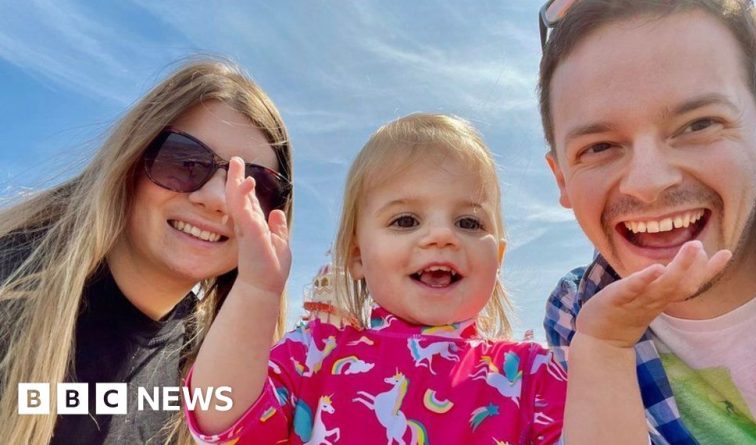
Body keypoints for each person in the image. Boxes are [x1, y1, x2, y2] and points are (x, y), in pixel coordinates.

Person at [185, 113, 569, 444]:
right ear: (357, 257)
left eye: (469, 222)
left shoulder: (533, 376)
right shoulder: (315, 354)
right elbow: (221, 418)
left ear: (498, 258)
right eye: (406, 221)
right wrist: (256, 290)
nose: (442, 235)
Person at [538, 0, 756, 443]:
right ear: (562, 178)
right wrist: (603, 350)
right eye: (599, 147)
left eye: (698, 124)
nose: (648, 183)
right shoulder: (577, 313)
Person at [0, 59, 293, 445]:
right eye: (185, 161)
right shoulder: (12, 287)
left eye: (255, 187)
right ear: (131, 160)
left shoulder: (222, 366)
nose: (218, 200)